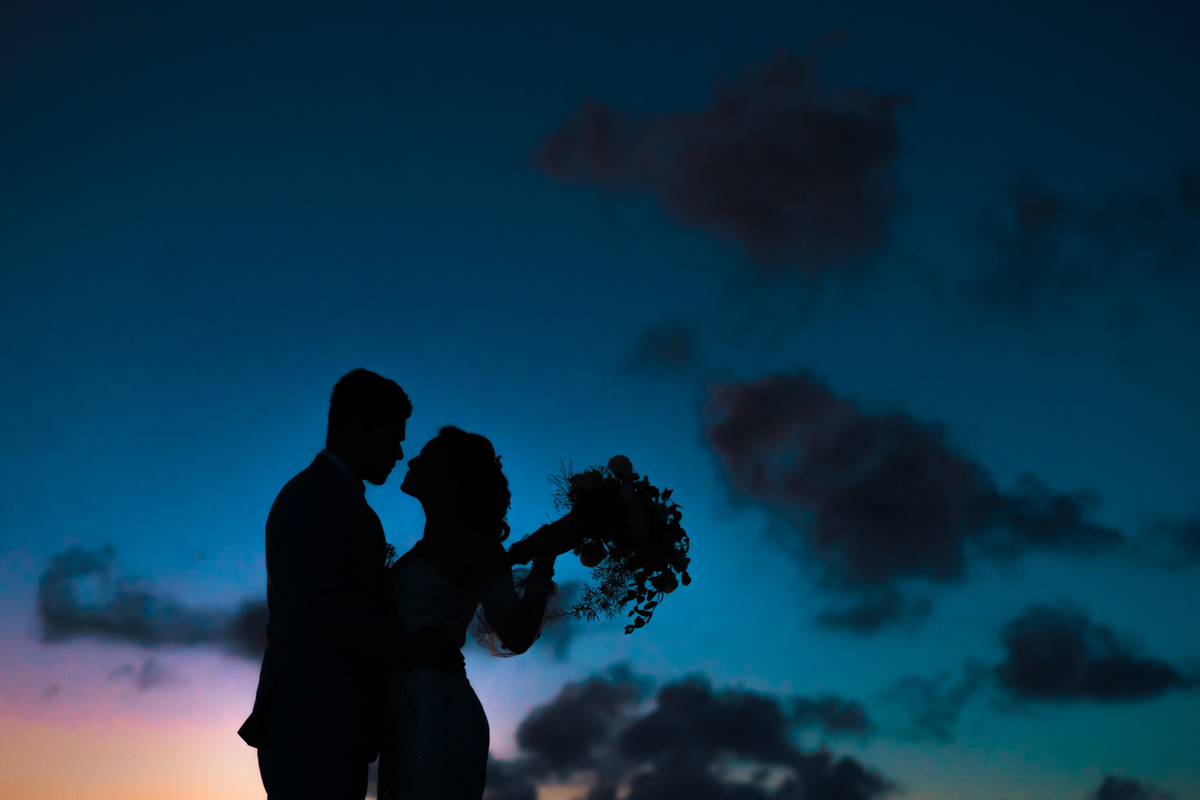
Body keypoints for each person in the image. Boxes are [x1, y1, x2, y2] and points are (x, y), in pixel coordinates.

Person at [238, 368, 420, 800]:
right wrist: (406, 646)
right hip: (311, 722)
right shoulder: (314, 497)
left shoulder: (336, 499)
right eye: (392, 438)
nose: (399, 453)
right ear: (358, 429)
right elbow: (318, 603)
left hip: (328, 725)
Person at [377, 426, 558, 800]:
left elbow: (517, 635)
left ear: (451, 480)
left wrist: (543, 567)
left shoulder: (481, 550)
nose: (411, 460)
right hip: (401, 711)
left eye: (427, 457)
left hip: (439, 710)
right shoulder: (419, 549)